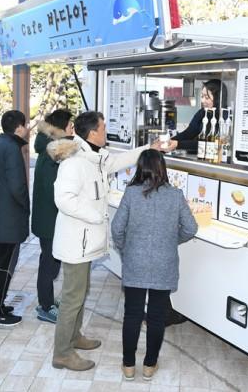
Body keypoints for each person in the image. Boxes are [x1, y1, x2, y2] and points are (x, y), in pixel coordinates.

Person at [51, 111, 154, 372]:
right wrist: (96, 216)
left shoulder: (95, 157)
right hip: (76, 243)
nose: (107, 130)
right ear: (92, 133)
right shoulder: (74, 162)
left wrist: (150, 148)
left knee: (80, 293)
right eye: (103, 127)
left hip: (84, 243)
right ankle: (62, 353)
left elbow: (118, 161)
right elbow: (63, 199)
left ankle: (74, 337)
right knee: (72, 298)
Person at [111, 149, 198, 381]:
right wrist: (171, 241)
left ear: (140, 168)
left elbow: (117, 229)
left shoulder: (131, 193)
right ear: (162, 168)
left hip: (135, 262)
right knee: (157, 317)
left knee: (132, 315)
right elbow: (191, 228)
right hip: (164, 263)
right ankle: (150, 365)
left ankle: (128, 365)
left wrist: (126, 248)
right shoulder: (175, 195)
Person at [0, 110, 30, 327]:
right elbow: (17, 187)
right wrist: (26, 206)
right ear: (19, 127)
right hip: (7, 219)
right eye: (25, 125)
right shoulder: (11, 148)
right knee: (4, 266)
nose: (27, 129)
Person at [31, 109, 74, 324]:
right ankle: (45, 306)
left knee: (49, 262)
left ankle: (47, 301)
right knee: (49, 264)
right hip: (49, 220)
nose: (73, 129)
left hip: (47, 218)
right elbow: (53, 192)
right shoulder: (52, 155)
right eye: (70, 125)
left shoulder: (49, 149)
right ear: (61, 129)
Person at [169, 79, 228, 153]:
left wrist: (178, 144)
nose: (202, 101)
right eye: (202, 96)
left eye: (207, 97)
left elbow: (210, 144)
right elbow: (188, 133)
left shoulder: (225, 117)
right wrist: (169, 141)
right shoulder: (202, 113)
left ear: (218, 98)